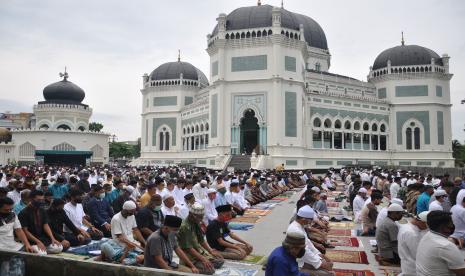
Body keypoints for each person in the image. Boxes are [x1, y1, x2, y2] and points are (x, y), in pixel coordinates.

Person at [177, 202, 224, 275]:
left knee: (220, 261)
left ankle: (202, 262)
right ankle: (187, 267)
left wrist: (211, 251)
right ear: (190, 214)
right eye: (198, 217)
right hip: (190, 257)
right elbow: (189, 249)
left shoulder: (196, 222)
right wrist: (203, 259)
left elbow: (201, 240)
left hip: (198, 252)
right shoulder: (185, 227)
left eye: (201, 217)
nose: (200, 219)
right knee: (210, 271)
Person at [287, 205, 333, 276]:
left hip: (304, 259)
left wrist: (318, 254)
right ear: (303, 219)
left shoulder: (300, 226)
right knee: (327, 274)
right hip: (298, 263)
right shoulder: (295, 230)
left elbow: (307, 242)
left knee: (327, 265)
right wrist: (319, 263)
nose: (311, 222)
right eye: (310, 220)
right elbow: (305, 250)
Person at [416, 210, 465, 275]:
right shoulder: (446, 246)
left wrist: (454, 240)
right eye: (451, 223)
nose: (453, 225)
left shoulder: (427, 234)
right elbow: (462, 273)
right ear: (444, 227)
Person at [18, 190, 64, 254]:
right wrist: (38, 242)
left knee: (59, 248)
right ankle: (37, 249)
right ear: (31, 199)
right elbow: (25, 231)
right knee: (42, 253)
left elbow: (46, 225)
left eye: (42, 200)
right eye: (38, 200)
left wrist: (53, 238)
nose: (41, 202)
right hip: (31, 240)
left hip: (42, 238)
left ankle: (42, 249)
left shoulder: (42, 210)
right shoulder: (23, 213)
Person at [398, 211, 429, 276]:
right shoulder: (412, 233)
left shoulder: (406, 226)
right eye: (427, 225)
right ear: (421, 222)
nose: (427, 228)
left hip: (407, 264)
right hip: (412, 268)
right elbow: (417, 253)